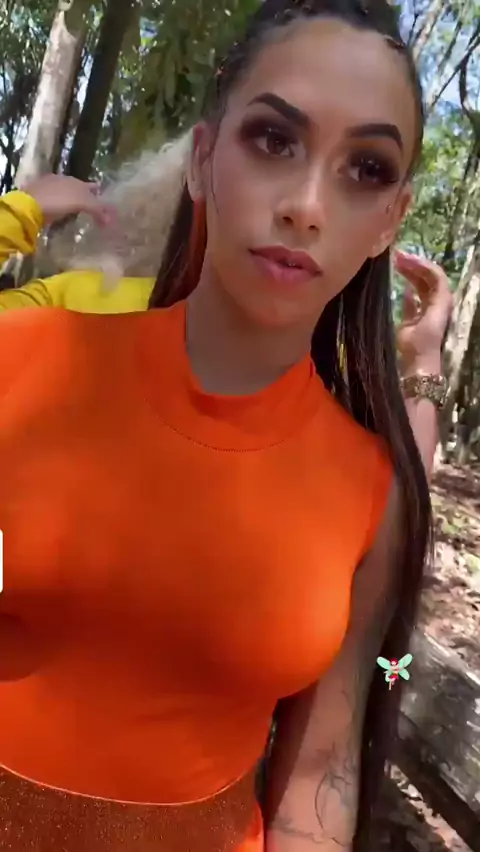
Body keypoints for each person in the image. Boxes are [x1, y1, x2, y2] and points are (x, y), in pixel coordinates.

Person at [0, 2, 452, 852]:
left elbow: (319, 778)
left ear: (390, 221)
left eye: (365, 168)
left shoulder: (373, 491)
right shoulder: (21, 362)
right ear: (204, 161)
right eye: (274, 140)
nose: (307, 206)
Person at [0, 173, 450, 472]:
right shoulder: (321, 363)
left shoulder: (84, 301)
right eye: (272, 144)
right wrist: (425, 361)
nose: (303, 212)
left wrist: (23, 209)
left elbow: (390, 513)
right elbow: (397, 511)